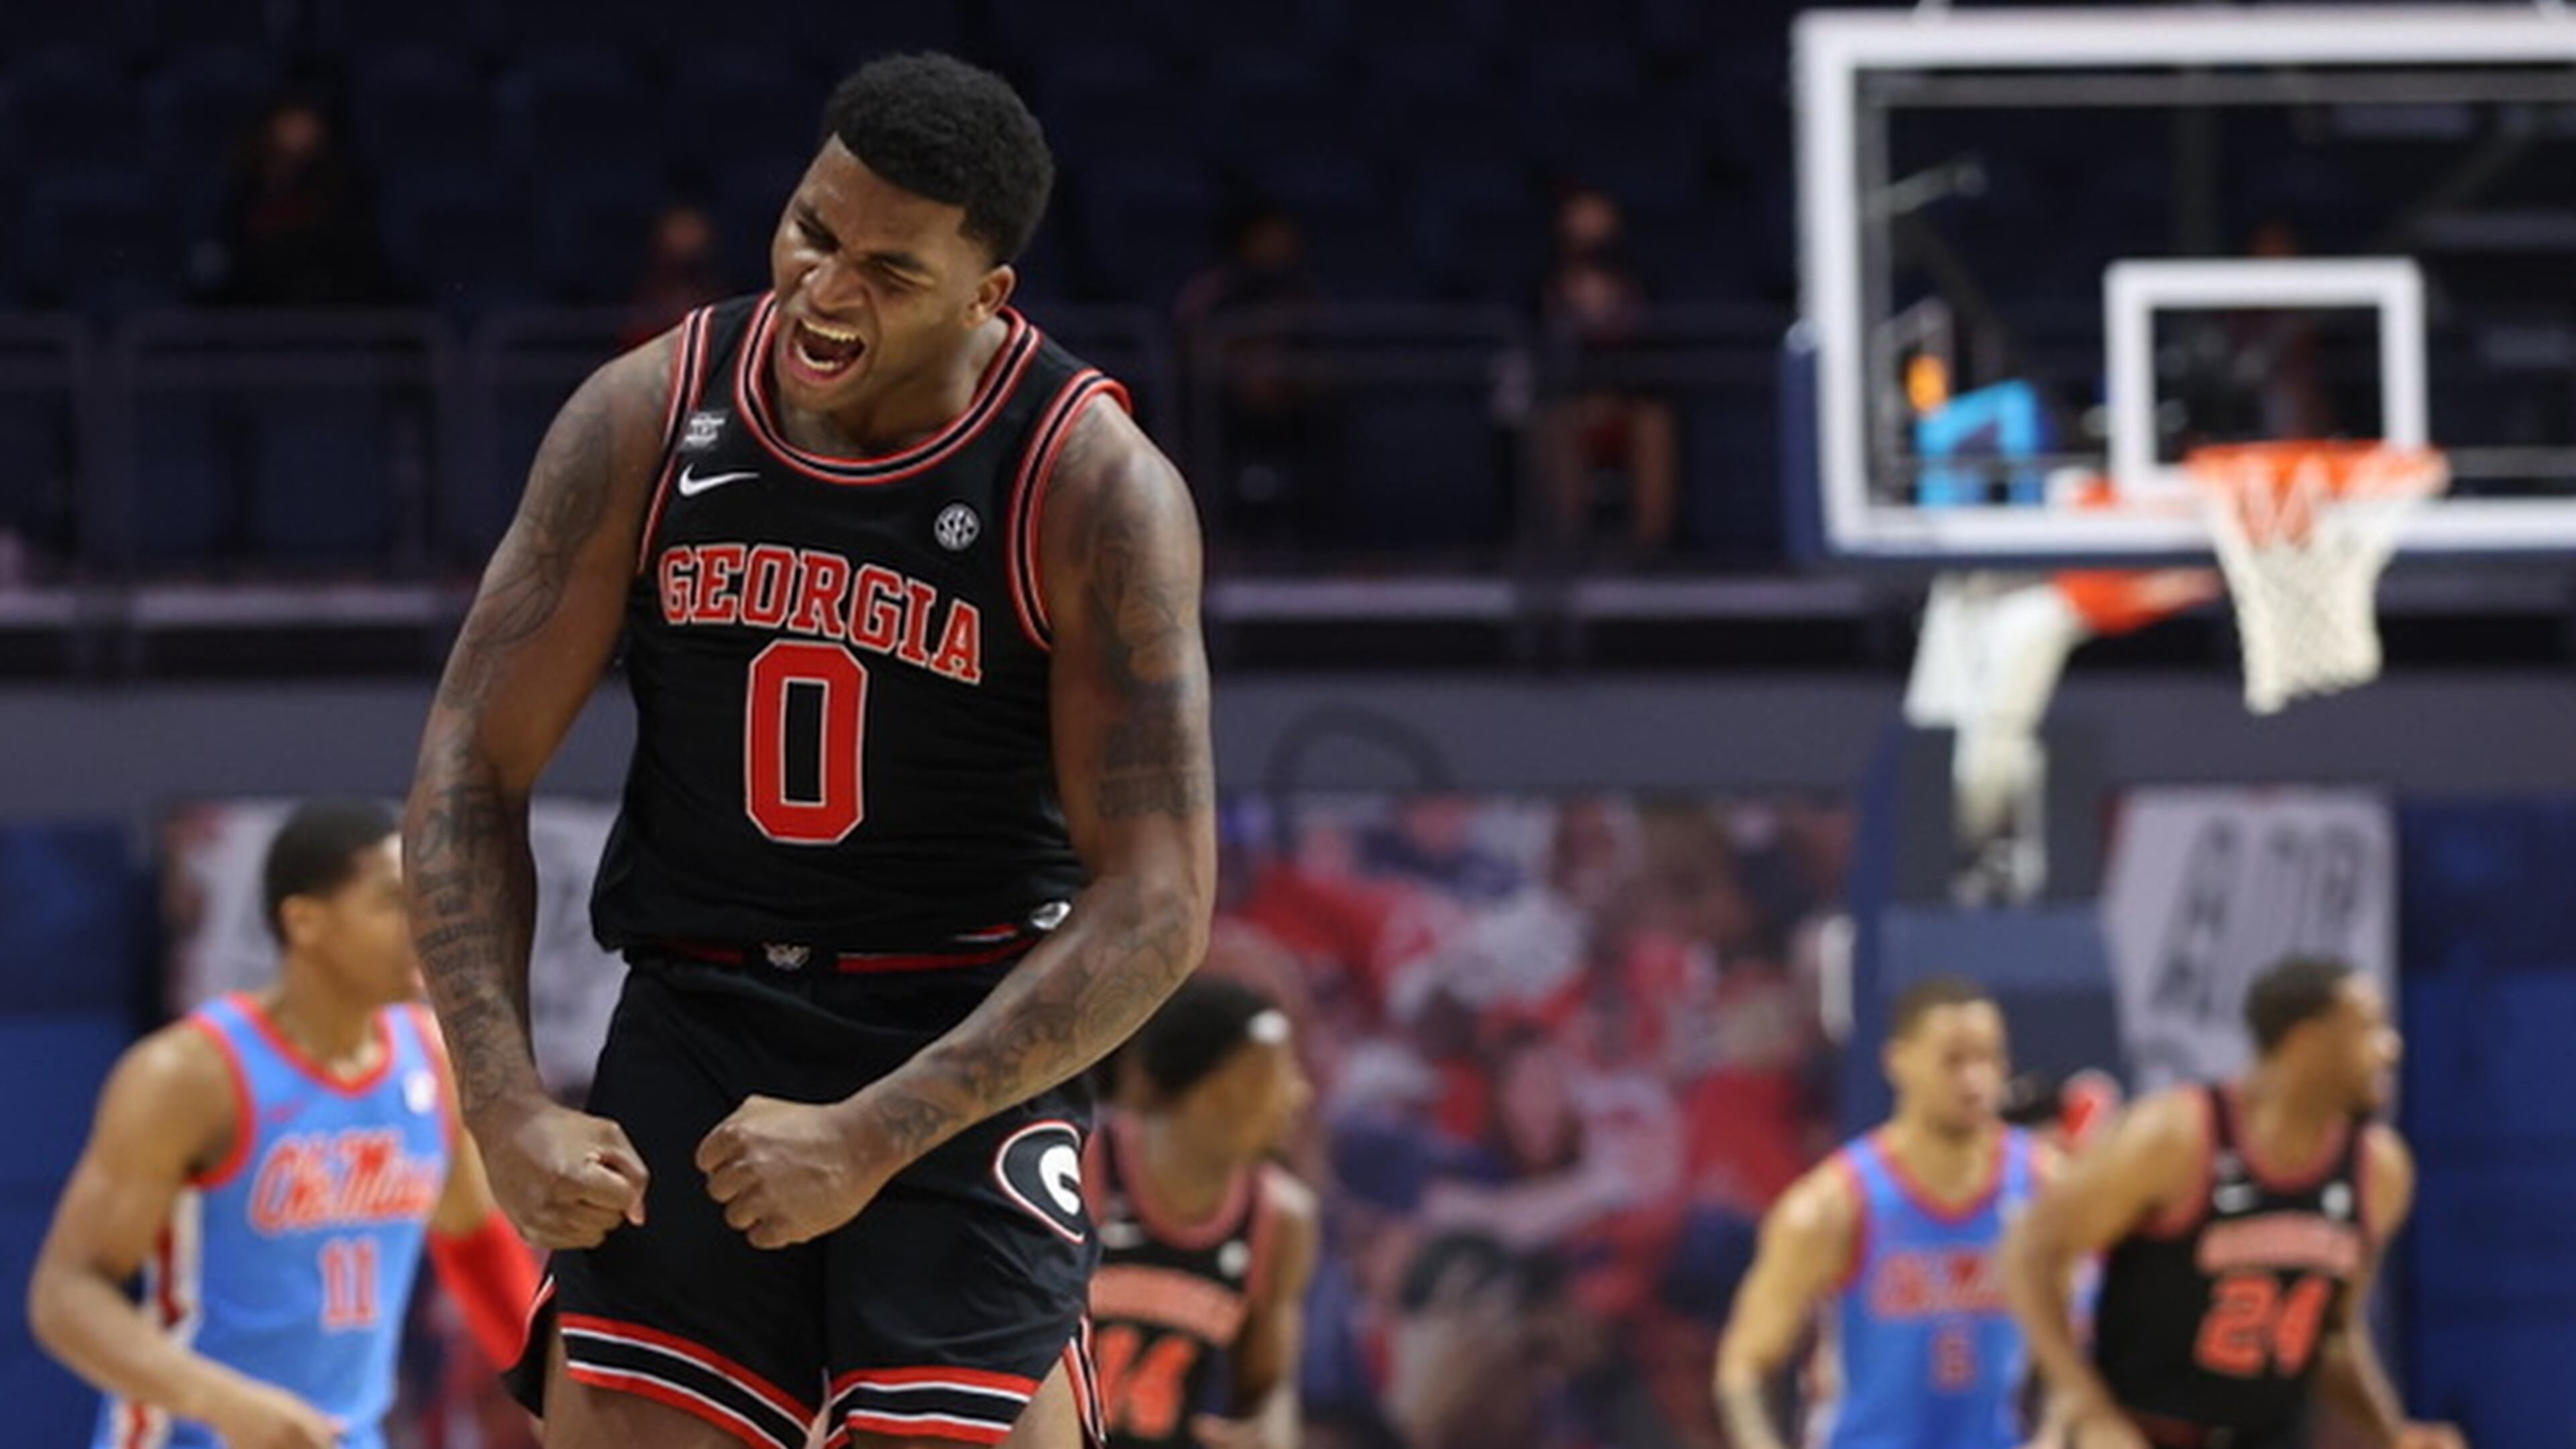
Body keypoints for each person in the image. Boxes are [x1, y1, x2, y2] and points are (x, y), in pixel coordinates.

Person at [403, 52, 1216, 1449]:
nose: (825, 291)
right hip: (700, 1010)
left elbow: (1160, 903)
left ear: (988, 294)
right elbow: (470, 770)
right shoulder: (647, 414)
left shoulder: (1090, 487)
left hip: (962, 1032)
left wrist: (876, 1131)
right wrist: (505, 1105)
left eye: (890, 272)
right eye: (811, 232)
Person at [28, 799, 536, 1449]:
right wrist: (221, 1402)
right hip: (190, 1436)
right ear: (305, 922)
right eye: (392, 902)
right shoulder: (189, 1074)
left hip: (346, 1435)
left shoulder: (430, 1057)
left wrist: (550, 1389)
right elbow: (66, 1294)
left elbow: (476, 1244)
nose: (423, 925)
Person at [2002, 958, 2465, 1449]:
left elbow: (2332, 1334)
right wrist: (2086, 1407)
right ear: (2306, 1040)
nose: (2390, 1049)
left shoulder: (2380, 1170)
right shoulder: (2176, 1135)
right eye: (2370, 1029)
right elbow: (2030, 1253)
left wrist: (2393, 1436)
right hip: (2143, 1430)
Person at [1713, 976, 2040, 1449]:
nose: (1973, 1079)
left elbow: (2084, 1343)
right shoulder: (1834, 1206)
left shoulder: (2044, 1186)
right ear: (1898, 1061)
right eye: (1952, 1060)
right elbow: (1745, 1363)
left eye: (1987, 1058)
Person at [1087, 977, 1317, 1449]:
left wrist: (1268, 1429)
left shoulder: (1281, 1217)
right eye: (1272, 1074)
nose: (1297, 1093)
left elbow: (1269, 1392)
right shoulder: (1082, 1161)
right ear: (1211, 1087)